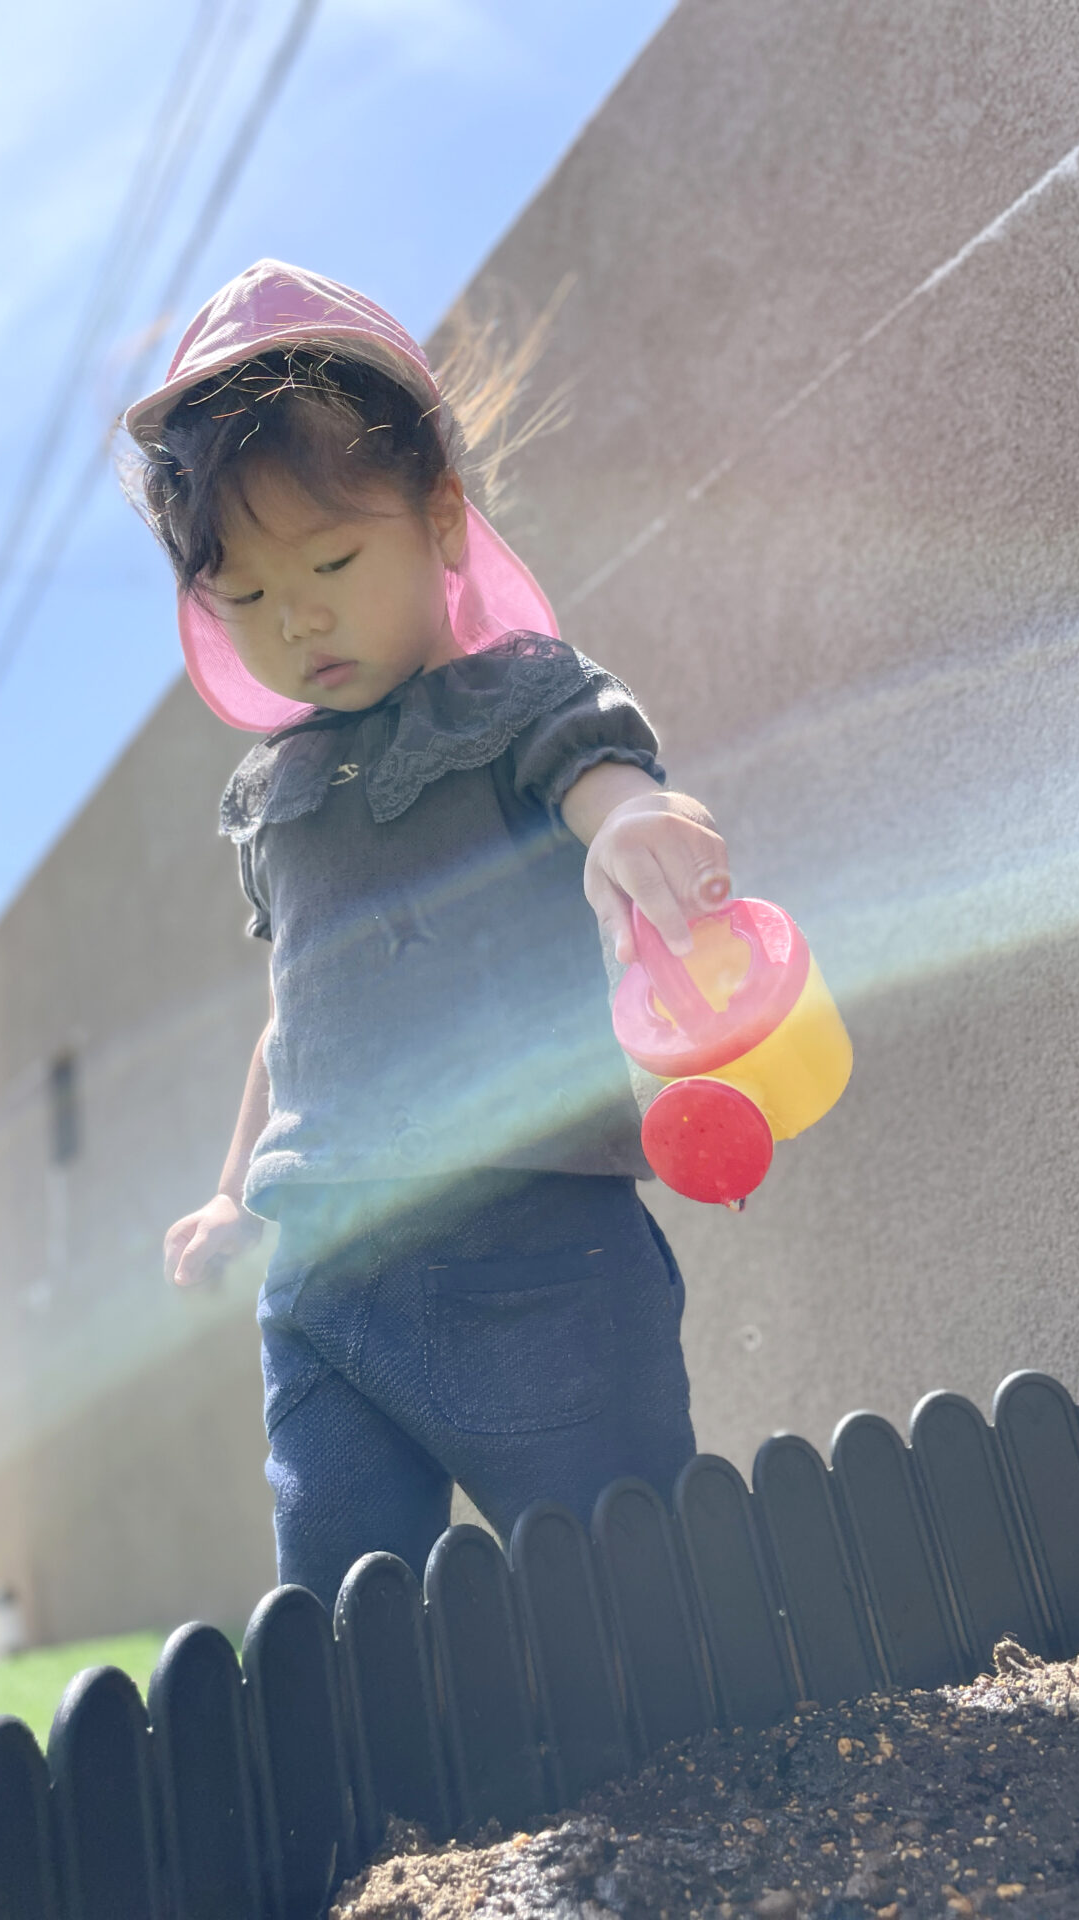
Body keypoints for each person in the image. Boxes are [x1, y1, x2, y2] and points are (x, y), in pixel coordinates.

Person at [121, 260, 731, 1610]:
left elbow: (598, 776)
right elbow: (295, 1015)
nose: (304, 619)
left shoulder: (515, 700)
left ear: (441, 520)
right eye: (254, 598)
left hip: (531, 1235)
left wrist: (633, 823)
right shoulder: (275, 793)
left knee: (616, 1554)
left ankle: (691, 1784)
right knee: (347, 1594)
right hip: (324, 1270)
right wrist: (234, 1192)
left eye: (334, 561)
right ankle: (395, 1813)